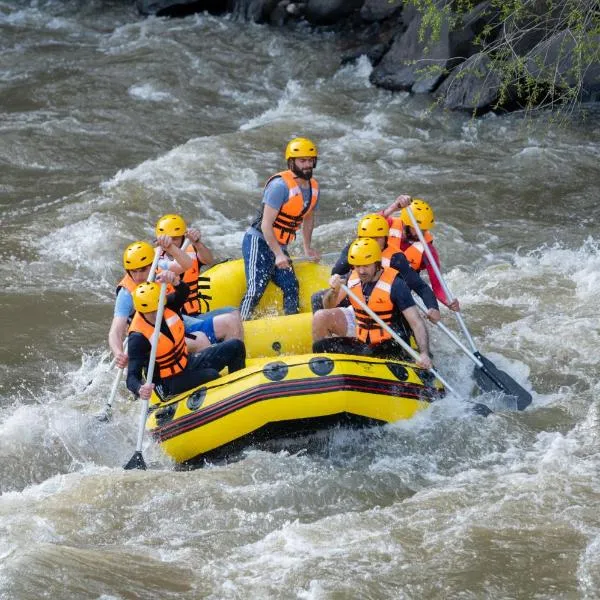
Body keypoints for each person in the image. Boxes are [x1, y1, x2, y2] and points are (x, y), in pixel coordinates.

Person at [310, 212, 441, 337]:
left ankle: (417, 347)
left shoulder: (396, 258)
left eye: (376, 238)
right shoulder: (354, 248)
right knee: (317, 299)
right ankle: (329, 333)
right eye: (367, 238)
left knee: (403, 317)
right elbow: (337, 272)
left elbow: (420, 286)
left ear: (385, 238)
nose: (371, 242)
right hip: (361, 293)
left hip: (388, 301)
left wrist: (433, 307)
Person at [312, 238, 432, 369]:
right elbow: (328, 306)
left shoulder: (396, 285)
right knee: (320, 347)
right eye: (358, 266)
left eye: (366, 266)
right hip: (363, 341)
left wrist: (424, 353)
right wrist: (334, 290)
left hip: (389, 344)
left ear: (377, 264)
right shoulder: (352, 278)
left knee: (366, 353)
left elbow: (416, 323)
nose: (361, 271)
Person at [126, 276, 246, 401]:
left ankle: (239, 391)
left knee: (236, 346)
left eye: (158, 309)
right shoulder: (137, 337)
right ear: (140, 311)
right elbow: (131, 377)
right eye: (150, 312)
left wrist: (175, 282)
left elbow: (184, 292)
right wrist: (140, 389)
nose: (156, 315)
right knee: (212, 375)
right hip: (167, 382)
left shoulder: (168, 305)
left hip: (186, 363)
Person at [240, 137, 321, 320]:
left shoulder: (313, 187)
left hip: (280, 245)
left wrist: (308, 248)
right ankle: (238, 328)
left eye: (310, 160)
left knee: (291, 285)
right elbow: (266, 225)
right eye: (302, 161)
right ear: (291, 162)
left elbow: (308, 218)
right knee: (255, 289)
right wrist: (277, 254)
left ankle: (289, 322)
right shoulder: (279, 187)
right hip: (259, 241)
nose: (307, 165)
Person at [154, 214, 243, 349]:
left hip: (195, 313)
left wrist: (197, 243)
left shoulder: (191, 250)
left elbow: (209, 260)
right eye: (169, 239)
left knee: (233, 312)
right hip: (176, 317)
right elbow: (178, 267)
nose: (171, 242)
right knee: (228, 321)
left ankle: (233, 352)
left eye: (176, 239)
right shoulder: (155, 260)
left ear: (183, 237)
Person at [109, 237, 192, 369]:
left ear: (152, 264)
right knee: (201, 341)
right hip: (152, 339)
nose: (138, 276)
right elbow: (115, 332)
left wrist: (171, 248)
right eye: (133, 271)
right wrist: (118, 353)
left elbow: (187, 264)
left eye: (142, 270)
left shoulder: (159, 268)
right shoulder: (126, 293)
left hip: (173, 323)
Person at [380, 197, 460, 311]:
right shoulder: (390, 224)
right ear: (405, 224)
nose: (421, 233)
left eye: (424, 230)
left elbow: (437, 285)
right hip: (374, 278)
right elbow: (367, 225)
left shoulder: (428, 251)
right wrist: (393, 208)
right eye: (417, 228)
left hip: (398, 293)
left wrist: (448, 301)